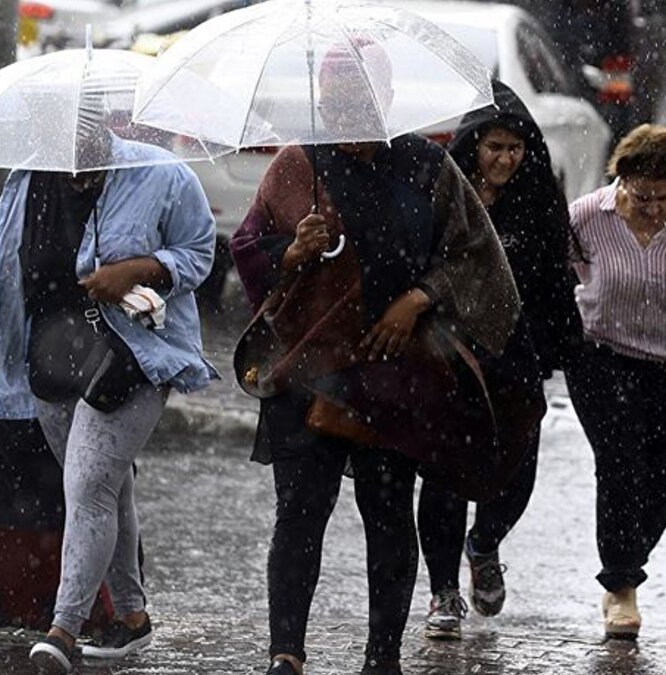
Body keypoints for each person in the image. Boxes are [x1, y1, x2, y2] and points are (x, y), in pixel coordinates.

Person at [230, 42, 524, 675]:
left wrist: (417, 300)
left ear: (386, 98)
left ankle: (382, 658)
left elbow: (477, 257)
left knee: (388, 515)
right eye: (338, 101)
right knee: (300, 514)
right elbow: (249, 248)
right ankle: (286, 653)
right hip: (307, 371)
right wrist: (293, 252)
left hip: (396, 376)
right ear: (322, 100)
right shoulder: (295, 167)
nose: (350, 114)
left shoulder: (426, 165)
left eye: (362, 100)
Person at [0, 133, 218, 674]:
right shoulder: (25, 183)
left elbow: (200, 253)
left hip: (135, 357)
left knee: (89, 485)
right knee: (108, 488)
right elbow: (3, 278)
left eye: (86, 138)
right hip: (52, 363)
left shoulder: (161, 174)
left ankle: (63, 630)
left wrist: (142, 268)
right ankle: (132, 619)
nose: (76, 159)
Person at [416, 81, 580, 640]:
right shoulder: (444, 197)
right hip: (448, 359)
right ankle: (443, 592)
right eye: (494, 147)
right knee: (443, 479)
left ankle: (484, 544)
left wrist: (559, 349)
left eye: (515, 148)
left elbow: (555, 282)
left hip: (516, 360)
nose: (506, 159)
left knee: (516, 474)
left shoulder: (537, 201)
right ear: (473, 147)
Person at [563, 124, 666, 641]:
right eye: (640, 197)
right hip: (602, 359)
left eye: (662, 197)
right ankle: (622, 587)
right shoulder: (586, 216)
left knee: (664, 480)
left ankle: (626, 560)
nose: (652, 208)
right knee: (619, 463)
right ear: (620, 180)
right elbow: (562, 275)